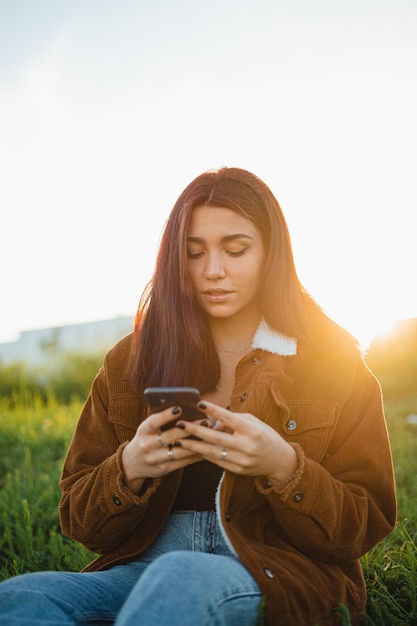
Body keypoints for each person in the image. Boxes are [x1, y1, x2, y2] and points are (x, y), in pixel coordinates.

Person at [0, 167, 396, 626]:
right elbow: (79, 521)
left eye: (236, 250)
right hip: (145, 568)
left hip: (274, 570)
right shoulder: (129, 360)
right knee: (22, 596)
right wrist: (129, 467)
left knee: (181, 577)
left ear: (272, 253)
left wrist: (284, 466)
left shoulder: (332, 360)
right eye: (193, 253)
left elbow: (363, 525)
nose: (213, 271)